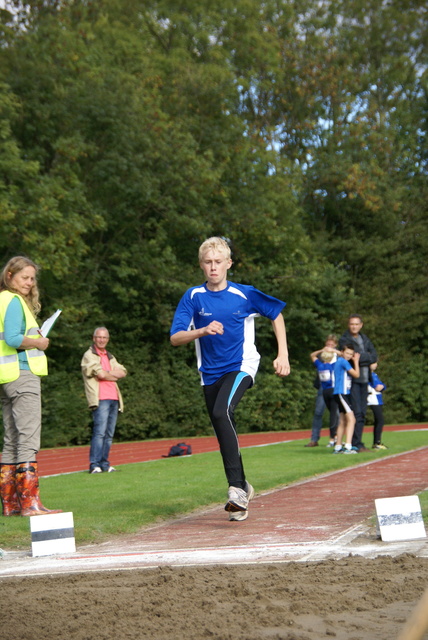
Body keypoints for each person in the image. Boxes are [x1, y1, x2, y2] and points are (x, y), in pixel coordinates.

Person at [170, 237, 290, 522]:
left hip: (241, 366)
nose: (213, 267)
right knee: (224, 427)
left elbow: (276, 314)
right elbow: (175, 337)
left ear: (228, 264)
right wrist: (201, 331)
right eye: (208, 262)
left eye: (218, 262)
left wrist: (282, 353)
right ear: (201, 265)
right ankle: (244, 488)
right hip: (209, 373)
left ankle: (235, 489)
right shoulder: (193, 296)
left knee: (221, 411)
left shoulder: (243, 294)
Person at [0, 256, 62, 516]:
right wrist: (38, 342)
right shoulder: (14, 301)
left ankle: (10, 503)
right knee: (28, 439)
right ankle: (30, 503)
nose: (29, 282)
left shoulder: (1, 300)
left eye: (32, 278)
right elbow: (14, 338)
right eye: (24, 277)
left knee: (10, 439)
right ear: (10, 275)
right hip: (22, 374)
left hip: (5, 377)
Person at [81, 327, 127, 473]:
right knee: (99, 433)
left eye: (104, 338)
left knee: (109, 435)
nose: (101, 340)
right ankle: (94, 465)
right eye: (99, 337)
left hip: (114, 398)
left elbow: (123, 372)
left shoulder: (110, 356)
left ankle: (105, 464)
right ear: (94, 338)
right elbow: (100, 375)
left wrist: (107, 374)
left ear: (108, 339)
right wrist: (112, 374)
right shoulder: (89, 355)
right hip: (100, 398)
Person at [338, 314, 377, 452]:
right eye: (351, 324)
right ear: (348, 325)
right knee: (356, 413)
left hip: (365, 380)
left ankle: (358, 442)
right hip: (352, 381)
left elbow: (374, 355)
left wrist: (363, 357)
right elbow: (352, 357)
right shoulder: (344, 339)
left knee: (362, 413)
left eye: (356, 324)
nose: (354, 326)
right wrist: (365, 358)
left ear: (361, 325)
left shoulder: (364, 338)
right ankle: (355, 443)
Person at [305, 335, 340, 448]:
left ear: (335, 345)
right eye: (328, 344)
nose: (329, 347)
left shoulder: (338, 358)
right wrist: (322, 350)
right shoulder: (322, 358)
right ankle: (314, 439)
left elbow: (346, 356)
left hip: (336, 387)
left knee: (336, 414)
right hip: (323, 388)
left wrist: (334, 351)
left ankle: (335, 438)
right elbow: (312, 356)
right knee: (318, 412)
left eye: (332, 344)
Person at [332, 344, 360, 454]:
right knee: (352, 419)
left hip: (342, 393)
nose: (349, 356)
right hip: (341, 393)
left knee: (342, 421)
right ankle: (348, 446)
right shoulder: (343, 362)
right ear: (342, 352)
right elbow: (356, 374)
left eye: (351, 354)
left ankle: (338, 447)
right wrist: (356, 361)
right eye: (347, 353)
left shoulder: (340, 361)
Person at [367, 362, 387, 449]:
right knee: (380, 420)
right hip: (373, 398)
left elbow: (382, 385)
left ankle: (376, 442)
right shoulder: (369, 375)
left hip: (377, 398)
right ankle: (377, 442)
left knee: (379, 420)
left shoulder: (374, 374)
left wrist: (382, 386)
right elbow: (377, 386)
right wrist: (381, 386)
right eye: (374, 363)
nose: (376, 365)